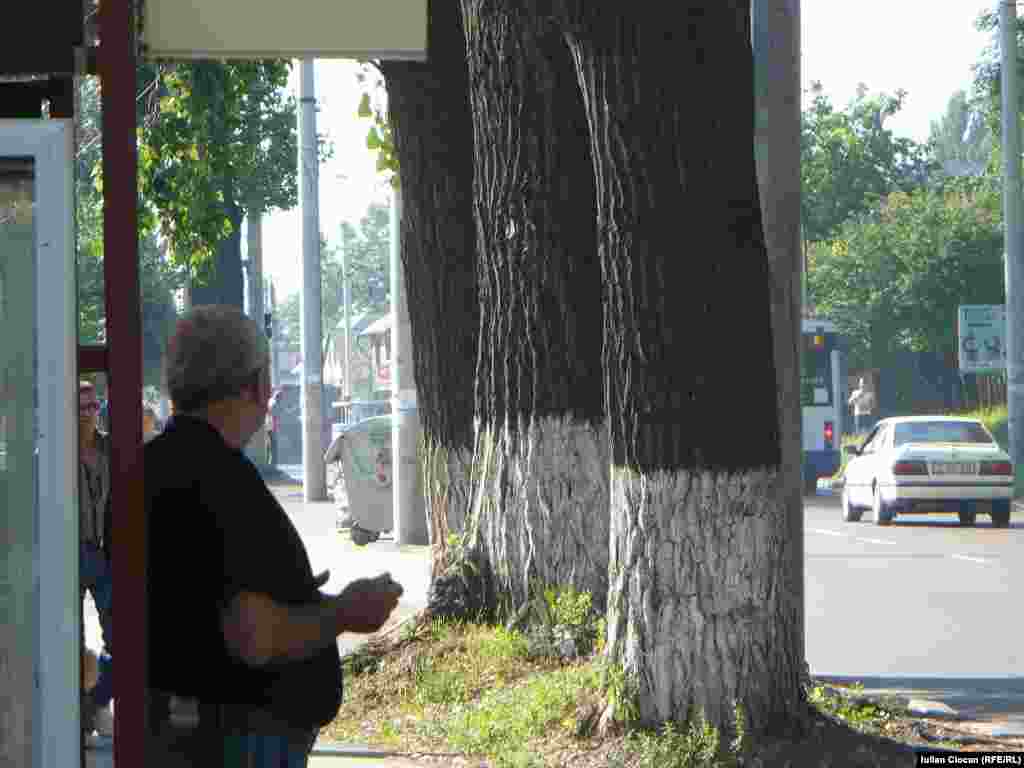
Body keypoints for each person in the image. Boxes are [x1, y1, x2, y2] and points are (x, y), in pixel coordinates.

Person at [146, 305, 403, 767]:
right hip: (238, 737)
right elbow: (252, 635)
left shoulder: (150, 470)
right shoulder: (219, 479)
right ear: (258, 385)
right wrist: (346, 610)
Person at [78, 381, 115, 739]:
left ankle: (96, 701)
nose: (89, 413)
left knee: (121, 638)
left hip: (105, 551)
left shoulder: (110, 449)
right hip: (68, 553)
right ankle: (77, 713)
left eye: (93, 406)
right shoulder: (54, 450)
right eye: (81, 407)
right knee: (67, 637)